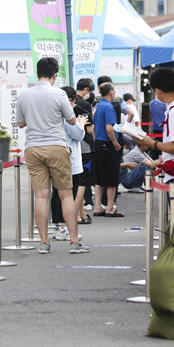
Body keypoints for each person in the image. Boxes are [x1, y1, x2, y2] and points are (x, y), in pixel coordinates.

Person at [16, 57, 87, 254]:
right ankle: (74, 242)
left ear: (37, 72)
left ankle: (44, 243)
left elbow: (21, 124)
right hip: (56, 146)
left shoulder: (24, 95)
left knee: (41, 195)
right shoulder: (59, 94)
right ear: (55, 75)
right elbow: (72, 121)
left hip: (33, 148)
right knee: (66, 196)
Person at [50, 86, 88, 240]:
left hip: (58, 157)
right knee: (66, 196)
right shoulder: (67, 115)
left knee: (57, 195)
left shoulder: (54, 113)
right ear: (71, 100)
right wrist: (81, 123)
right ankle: (62, 228)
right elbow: (78, 135)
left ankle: (59, 228)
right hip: (69, 160)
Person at [92, 83, 124, 217]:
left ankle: (98, 206)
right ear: (111, 92)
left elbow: (93, 128)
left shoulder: (96, 106)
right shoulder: (109, 107)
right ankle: (110, 207)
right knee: (111, 177)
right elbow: (109, 128)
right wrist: (116, 143)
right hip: (107, 144)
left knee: (99, 178)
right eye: (114, 90)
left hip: (98, 143)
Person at [74, 78, 95, 224]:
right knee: (82, 183)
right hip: (84, 146)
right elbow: (90, 129)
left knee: (74, 182)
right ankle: (74, 213)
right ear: (86, 90)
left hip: (71, 146)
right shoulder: (84, 105)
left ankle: (82, 213)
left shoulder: (66, 101)